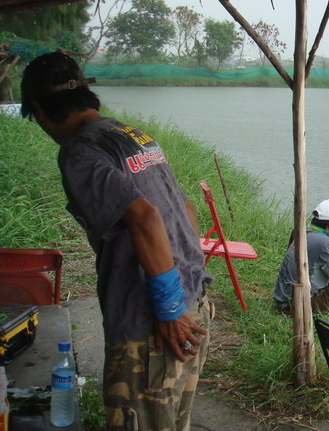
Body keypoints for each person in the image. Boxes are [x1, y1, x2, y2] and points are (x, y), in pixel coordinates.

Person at [21, 51, 213, 431]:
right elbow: (186, 209)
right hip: (196, 305)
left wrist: (170, 308)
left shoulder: (79, 150)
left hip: (154, 326)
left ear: (40, 111)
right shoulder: (131, 134)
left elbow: (145, 216)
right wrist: (185, 295)